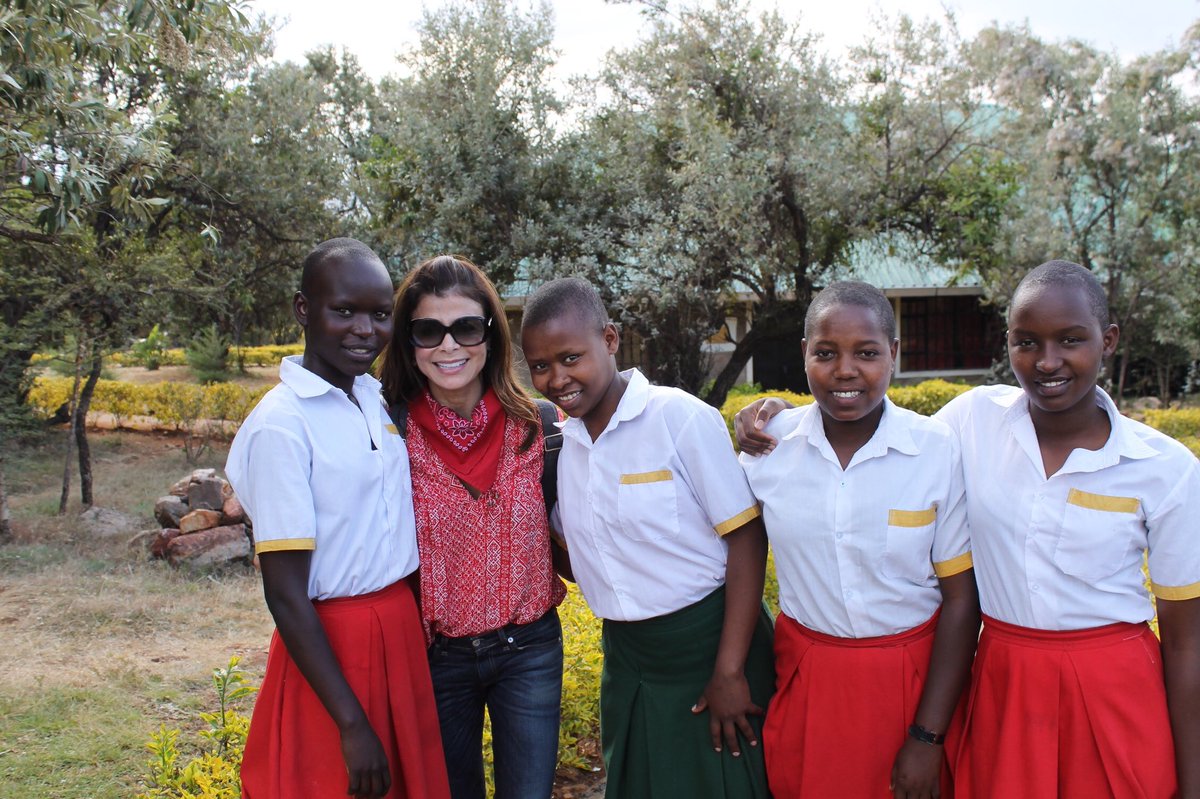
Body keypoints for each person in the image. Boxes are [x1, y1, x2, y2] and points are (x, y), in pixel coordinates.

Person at [736, 261, 1200, 799]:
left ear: (1108, 340)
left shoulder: (1165, 467)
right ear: (1008, 344)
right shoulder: (973, 421)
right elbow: (867, 420)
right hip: (1004, 676)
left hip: (1112, 684)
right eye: (1027, 342)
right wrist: (783, 416)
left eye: (1071, 340)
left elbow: (1188, 646)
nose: (1048, 361)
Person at [519, 276, 774, 799]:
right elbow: (584, 555)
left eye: (571, 357)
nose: (557, 378)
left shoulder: (677, 418)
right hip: (630, 660)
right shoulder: (562, 448)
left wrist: (729, 671)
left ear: (609, 340)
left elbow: (746, 537)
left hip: (708, 650)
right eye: (540, 366)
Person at [226, 238, 451, 799]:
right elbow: (284, 593)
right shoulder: (283, 425)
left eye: (379, 315)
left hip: (396, 628)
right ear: (304, 310)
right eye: (343, 311)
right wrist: (351, 724)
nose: (364, 330)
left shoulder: (372, 400)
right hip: (334, 649)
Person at [736, 281, 978, 799]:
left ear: (893, 353)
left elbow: (961, 601)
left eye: (867, 353)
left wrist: (928, 737)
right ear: (805, 355)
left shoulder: (936, 451)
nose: (845, 371)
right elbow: (735, 559)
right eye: (826, 353)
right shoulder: (768, 453)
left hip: (914, 684)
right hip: (811, 680)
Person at [378, 255, 567, 799]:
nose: (448, 345)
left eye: (464, 327)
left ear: (489, 334)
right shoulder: (388, 432)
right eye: (427, 331)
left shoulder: (542, 426)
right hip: (438, 658)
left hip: (529, 649)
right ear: (409, 343)